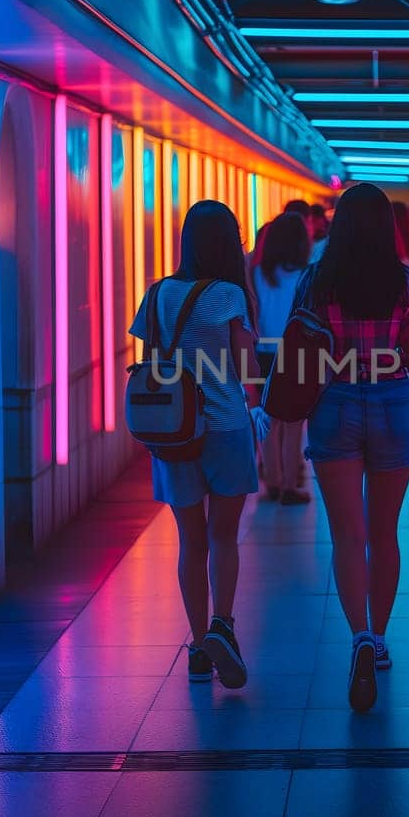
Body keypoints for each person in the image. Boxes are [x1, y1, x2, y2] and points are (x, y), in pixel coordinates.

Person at [298, 184, 409, 712]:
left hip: (332, 400)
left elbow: (301, 338)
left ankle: (357, 635)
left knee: (346, 536)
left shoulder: (317, 279)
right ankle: (378, 638)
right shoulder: (406, 281)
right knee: (384, 533)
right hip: (390, 399)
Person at [129, 201, 265, 689]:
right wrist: (260, 411)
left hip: (174, 430)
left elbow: (151, 365)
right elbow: (247, 369)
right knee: (224, 535)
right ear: (230, 243)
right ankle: (222, 628)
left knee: (191, 539)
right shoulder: (229, 294)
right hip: (226, 425)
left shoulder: (159, 293)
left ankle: (196, 646)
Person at [251, 212, 312, 504]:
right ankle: (290, 483)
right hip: (295, 353)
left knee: (268, 420)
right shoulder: (306, 274)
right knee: (293, 422)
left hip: (261, 353)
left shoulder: (256, 274)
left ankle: (272, 481)